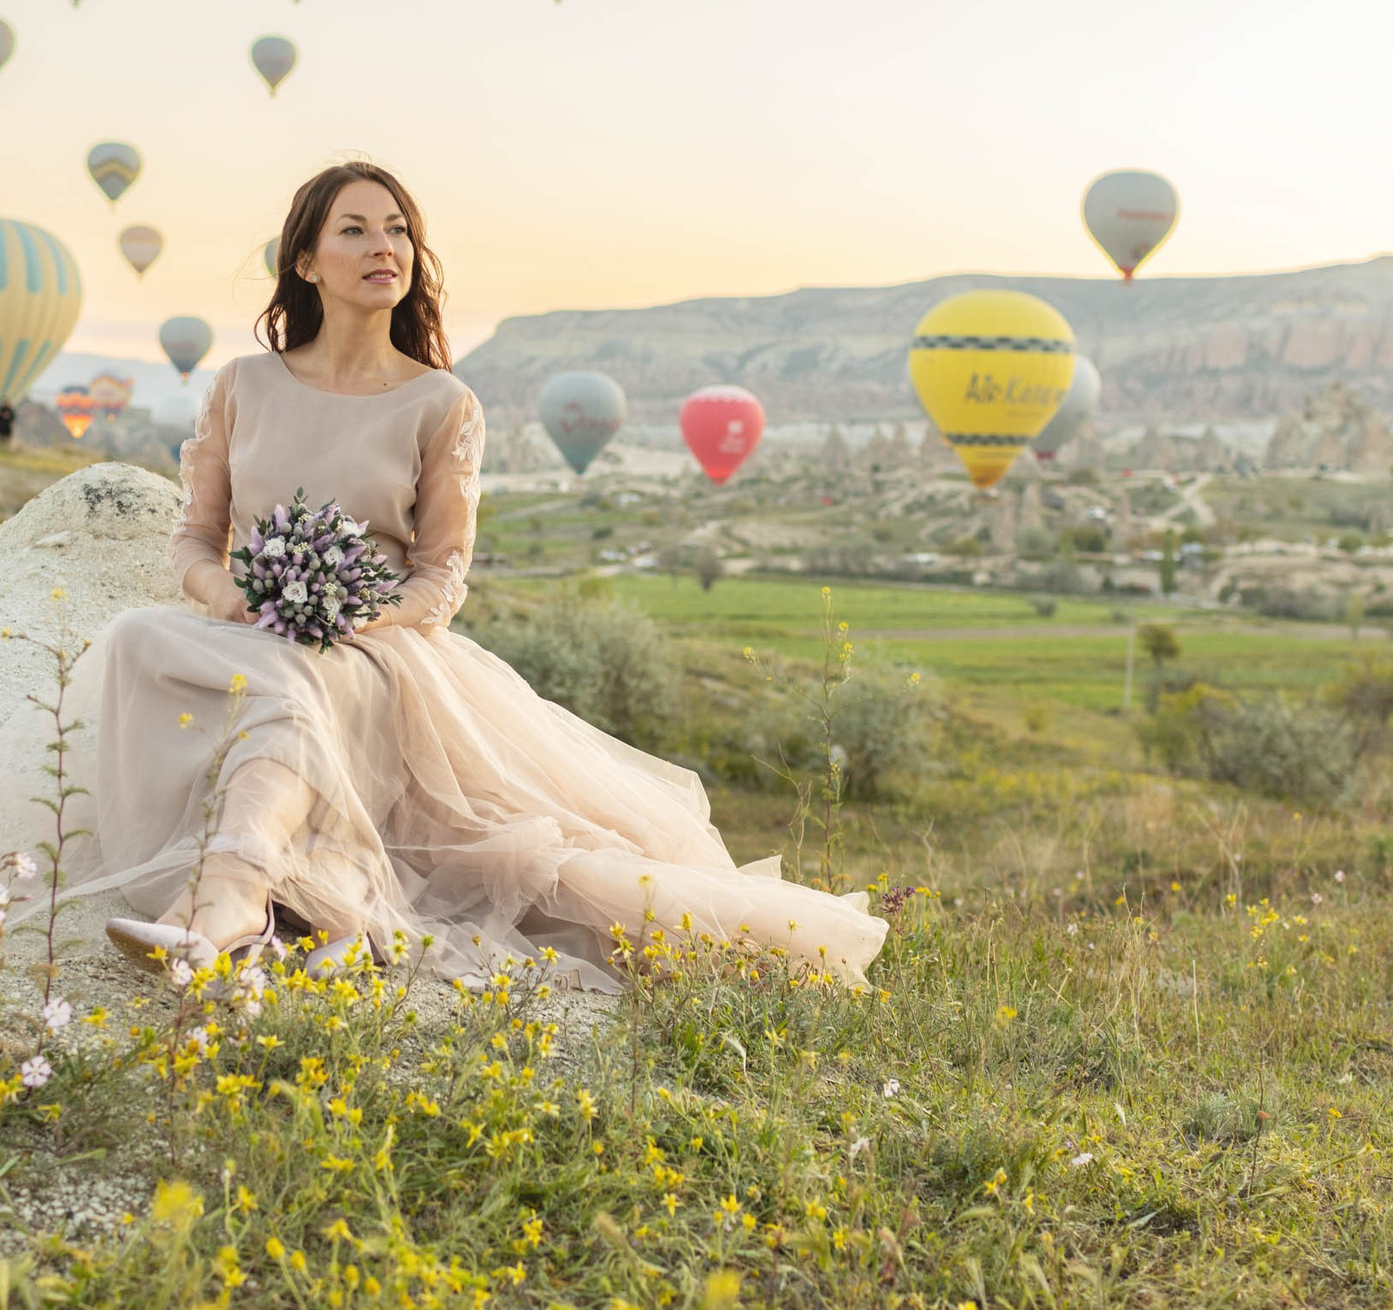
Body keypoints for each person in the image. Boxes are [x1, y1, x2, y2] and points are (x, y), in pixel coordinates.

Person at [62, 162, 884, 990]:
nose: (385, 247)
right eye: (354, 229)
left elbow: (439, 581)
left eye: (398, 230)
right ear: (305, 262)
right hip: (247, 629)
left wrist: (354, 618)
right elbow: (195, 538)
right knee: (139, 634)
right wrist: (231, 595)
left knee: (295, 685)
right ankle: (240, 905)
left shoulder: (440, 402)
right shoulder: (243, 384)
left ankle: (226, 905)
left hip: (374, 654)